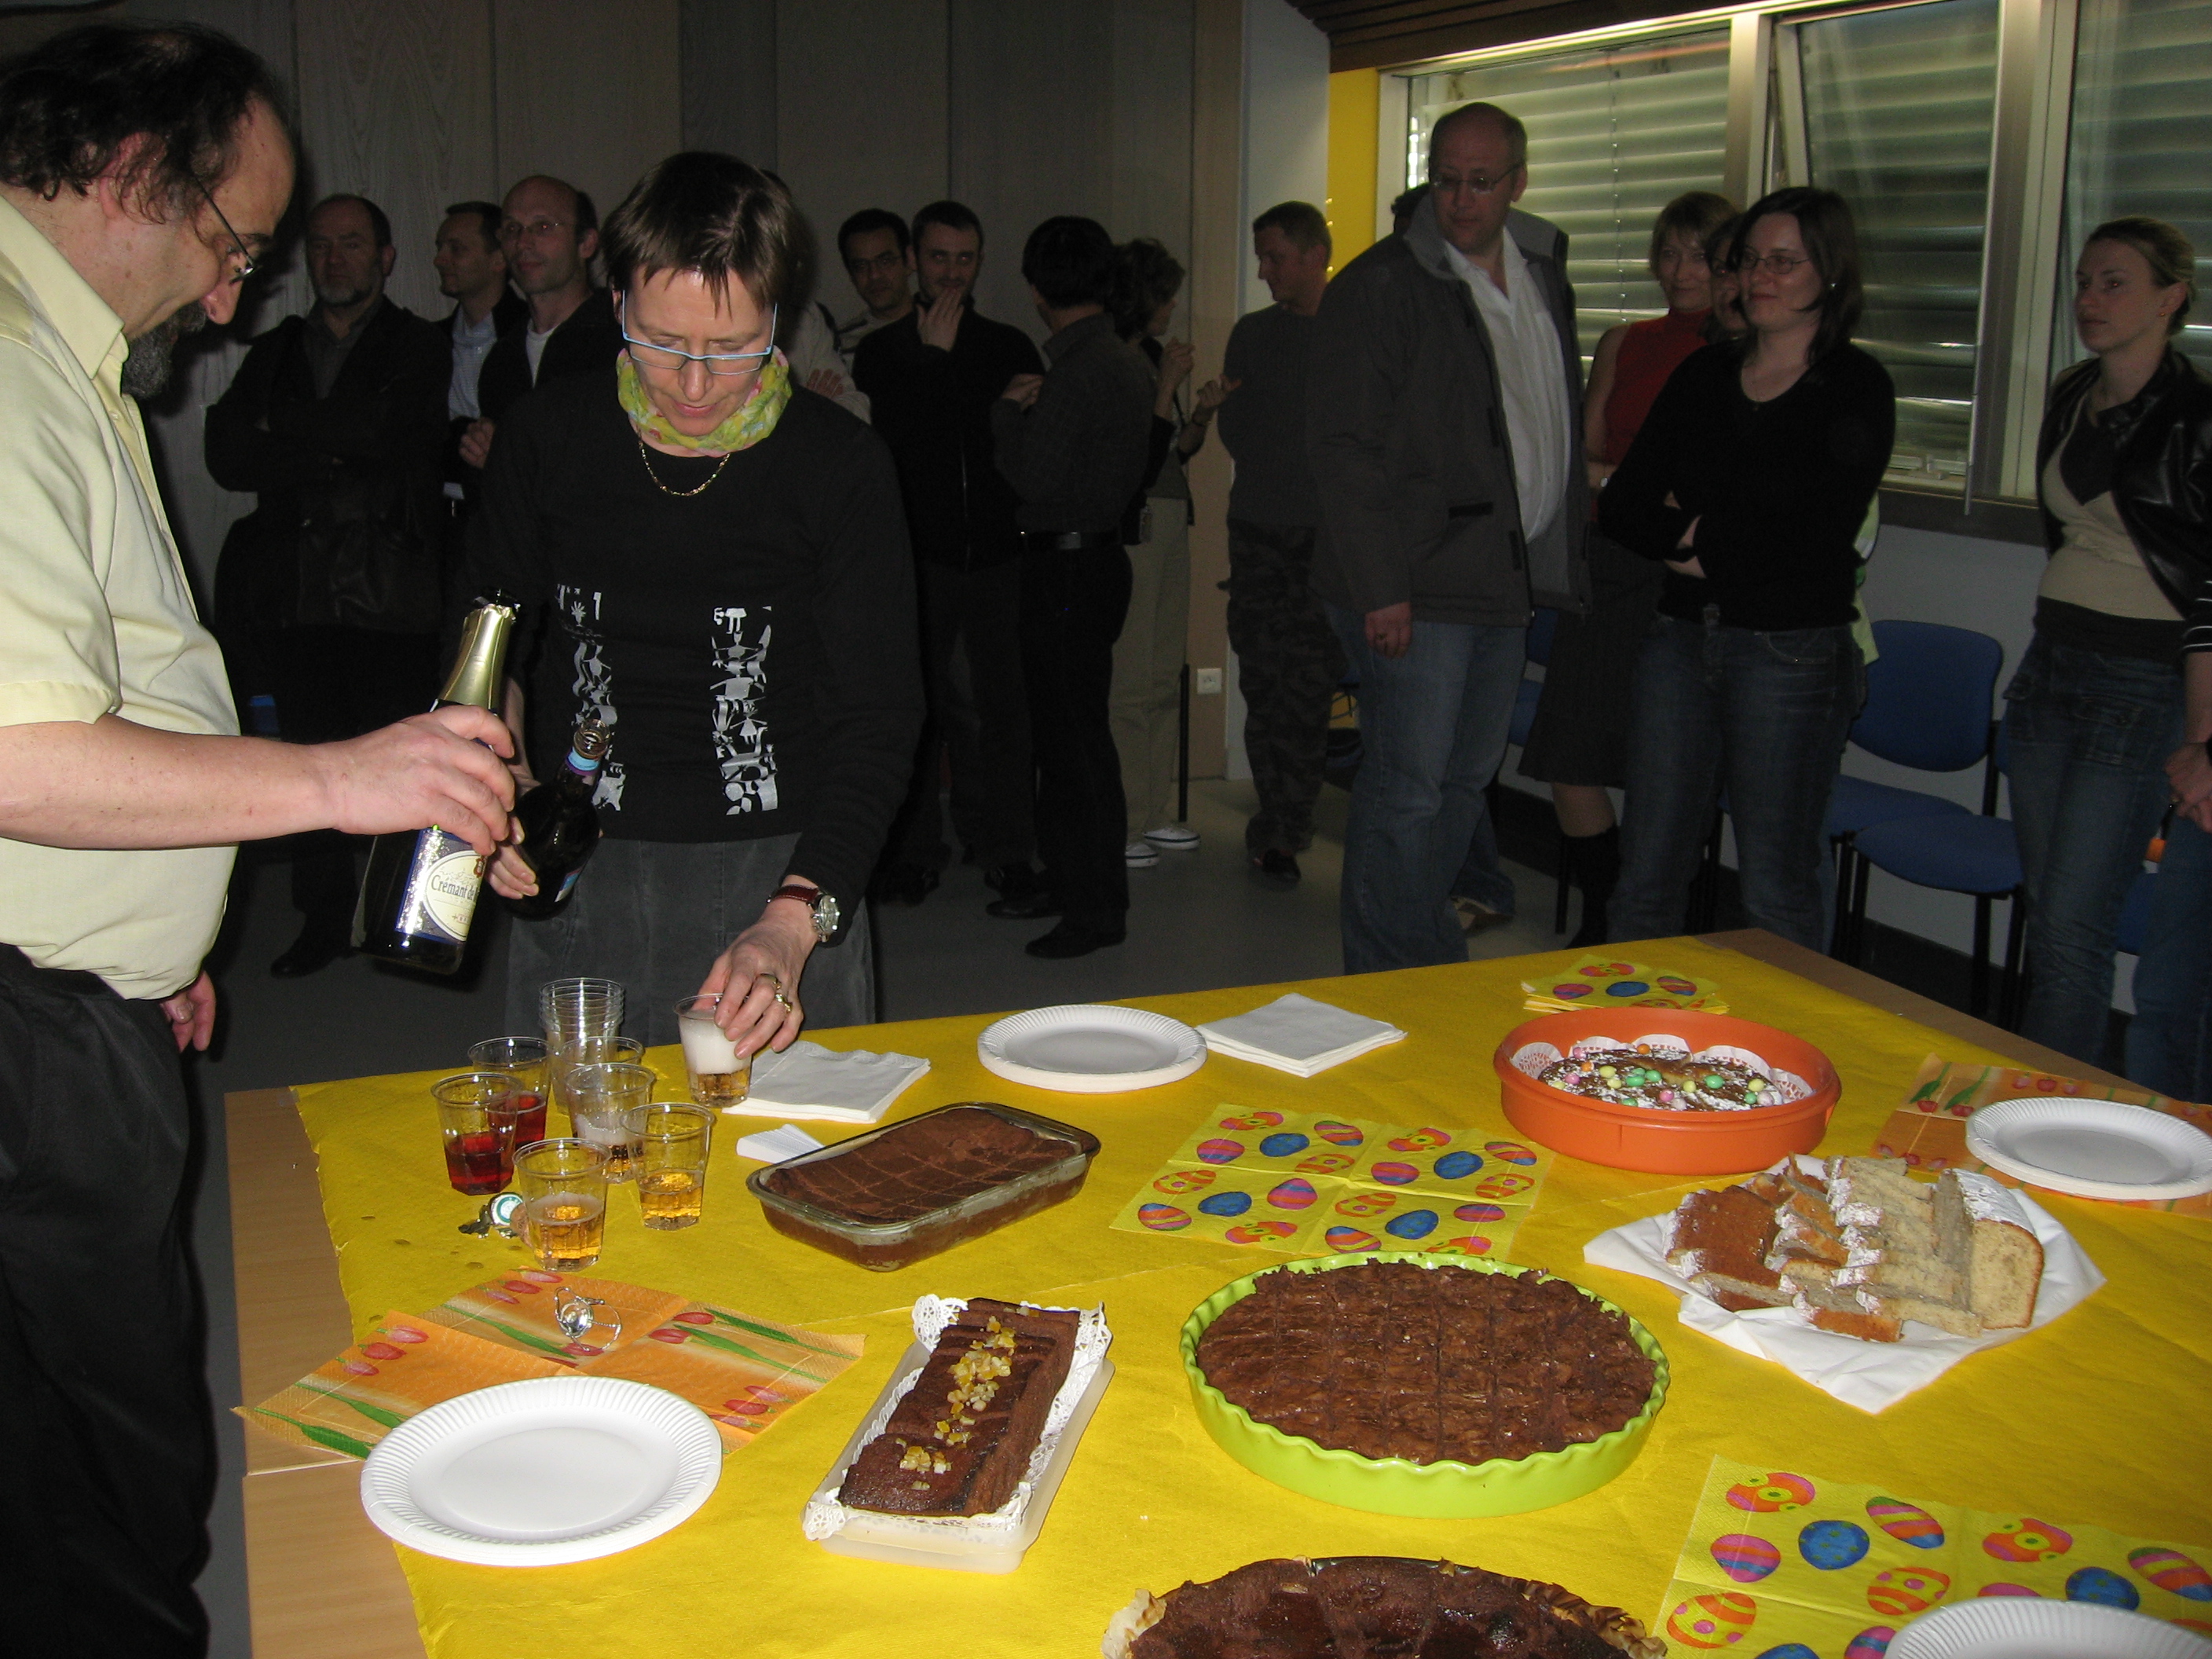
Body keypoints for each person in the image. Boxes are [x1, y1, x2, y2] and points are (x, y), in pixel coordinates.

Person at [0, 22, 516, 1654]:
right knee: (96, 1495)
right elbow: (13, 750)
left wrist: (139, 938)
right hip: (22, 1032)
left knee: (89, 1450)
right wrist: (337, 781)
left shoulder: (57, 352)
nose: (233, 302)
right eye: (234, 247)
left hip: (59, 992)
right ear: (131, 174)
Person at [467, 151, 921, 1051]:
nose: (693, 384)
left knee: (793, 1133)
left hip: (783, 867)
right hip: (579, 848)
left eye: (730, 348)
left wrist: (794, 919)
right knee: (580, 1131)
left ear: (777, 319)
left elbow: (878, 716)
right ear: (618, 304)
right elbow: (489, 638)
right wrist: (503, 786)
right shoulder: (548, 437)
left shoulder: (837, 465)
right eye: (663, 342)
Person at [1309, 102, 1590, 973]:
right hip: (1416, 583)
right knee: (1408, 787)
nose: (1461, 200)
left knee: (1465, 783)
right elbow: (1344, 449)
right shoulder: (1383, 284)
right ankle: (1385, 973)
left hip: (1502, 577)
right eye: (1445, 180)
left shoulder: (1541, 272)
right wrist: (1380, 588)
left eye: (1480, 182)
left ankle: (1419, 951)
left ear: (1517, 183)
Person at [1602, 187, 1895, 950]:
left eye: (1782, 262)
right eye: (1748, 261)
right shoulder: (1703, 375)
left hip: (1788, 650)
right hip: (1678, 638)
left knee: (1774, 879)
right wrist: (1695, 539)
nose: (1758, 278)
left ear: (1829, 273)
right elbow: (1623, 504)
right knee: (1647, 868)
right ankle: (1631, 1019)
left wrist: (1701, 535)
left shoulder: (1854, 386)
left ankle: (1790, 1026)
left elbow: (1816, 537)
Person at [206, 193, 454, 976]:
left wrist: (284, 428)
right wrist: (335, 440)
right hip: (296, 593)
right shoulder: (277, 347)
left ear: (384, 257)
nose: (333, 258)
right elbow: (224, 449)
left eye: (351, 243)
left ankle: (403, 915)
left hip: (391, 593)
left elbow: (390, 433)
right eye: (320, 245)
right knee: (307, 762)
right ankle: (321, 920)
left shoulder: (419, 343)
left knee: (404, 761)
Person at [2005, 217, 2211, 1071]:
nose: (2090, 299)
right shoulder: (2070, 392)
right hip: (2048, 667)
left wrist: (2200, 731)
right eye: (2084, 282)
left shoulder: (2196, 416)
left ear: (2170, 298)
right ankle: (2042, 1094)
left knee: (2071, 928)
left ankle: (2045, 1110)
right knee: (2047, 910)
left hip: (2137, 682)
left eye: (2114, 282)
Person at [1519, 189, 1734, 946]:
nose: (1681, 270)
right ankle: (1606, 915)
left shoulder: (1740, 352)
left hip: (1687, 573)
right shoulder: (1626, 341)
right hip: (1608, 560)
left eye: (1700, 256)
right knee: (1568, 753)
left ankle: (1645, 924)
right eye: (1669, 253)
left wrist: (1623, 481)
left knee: (1664, 768)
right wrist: (1629, 484)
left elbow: (1709, 486)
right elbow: (1582, 458)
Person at [853, 200, 1043, 905]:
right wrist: (932, 362)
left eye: (965, 259)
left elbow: (1020, 455)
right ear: (914, 260)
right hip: (918, 556)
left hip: (998, 554)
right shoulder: (883, 352)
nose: (953, 273)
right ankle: (914, 851)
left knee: (1003, 709)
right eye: (939, 258)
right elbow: (898, 447)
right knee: (918, 710)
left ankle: (1006, 848)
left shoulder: (1008, 345)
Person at [985, 214, 1155, 958]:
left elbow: (1033, 478)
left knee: (1074, 746)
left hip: (1066, 568)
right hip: (1093, 563)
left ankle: (1094, 909)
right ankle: (1073, 884)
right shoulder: (1120, 358)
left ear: (1036, 289)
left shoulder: (1080, 369)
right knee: (1071, 739)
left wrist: (1005, 415)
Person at [1214, 200, 1341, 889]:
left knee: (1308, 690)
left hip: (1328, 541)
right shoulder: (1253, 334)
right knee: (1263, 682)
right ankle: (1276, 826)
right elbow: (1236, 430)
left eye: (1275, 258)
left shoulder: (1355, 331)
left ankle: (1291, 823)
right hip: (1259, 532)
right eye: (1261, 257)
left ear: (1315, 255)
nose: (1263, 271)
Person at [1108, 236, 1224, 869]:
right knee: (1130, 678)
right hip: (1138, 521)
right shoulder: (1116, 357)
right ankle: (1123, 820)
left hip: (1173, 515)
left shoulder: (1153, 355)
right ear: (1140, 295)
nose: (1173, 306)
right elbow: (1134, 455)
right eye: (1165, 295)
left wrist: (1201, 412)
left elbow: (1176, 451)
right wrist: (1166, 387)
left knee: (1161, 673)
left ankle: (1153, 814)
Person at [464, 174, 621, 466]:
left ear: (586, 243)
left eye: (543, 227)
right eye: (512, 229)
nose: (523, 242)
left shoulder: (622, 342)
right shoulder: (502, 360)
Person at [433, 198, 528, 513]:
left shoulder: (529, 335)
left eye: (456, 248)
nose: (440, 259)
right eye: (440, 247)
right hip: (438, 516)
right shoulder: (429, 341)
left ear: (499, 259)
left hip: (505, 512)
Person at [835, 206, 914, 357]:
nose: (874, 275)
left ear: (909, 261)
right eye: (861, 266)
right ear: (851, 275)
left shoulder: (942, 328)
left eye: (885, 261)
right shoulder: (840, 347)